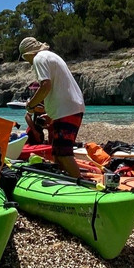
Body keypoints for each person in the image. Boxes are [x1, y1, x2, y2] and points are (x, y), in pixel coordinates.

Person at [19, 37, 85, 178]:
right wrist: (51, 114)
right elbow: (58, 88)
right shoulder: (51, 56)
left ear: (27, 55)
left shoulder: (39, 59)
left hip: (67, 110)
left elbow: (46, 86)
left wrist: (31, 105)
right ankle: (66, 181)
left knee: (64, 154)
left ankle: (83, 185)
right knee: (57, 153)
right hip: (70, 107)